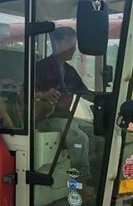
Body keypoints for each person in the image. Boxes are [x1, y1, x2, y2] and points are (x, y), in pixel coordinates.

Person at [34, 27, 101, 189]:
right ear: (56, 43)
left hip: (66, 117)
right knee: (79, 138)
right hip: (45, 119)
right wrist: (43, 95)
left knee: (100, 134)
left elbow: (86, 94)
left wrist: (109, 97)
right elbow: (23, 95)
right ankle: (81, 185)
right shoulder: (40, 68)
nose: (73, 49)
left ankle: (98, 182)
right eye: (69, 45)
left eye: (74, 45)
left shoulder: (70, 72)